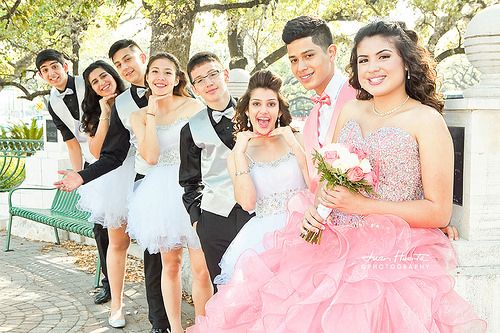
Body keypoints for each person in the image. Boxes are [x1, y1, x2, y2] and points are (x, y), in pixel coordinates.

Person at [187, 21, 486, 332]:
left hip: (393, 245)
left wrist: (360, 205)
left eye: (383, 57)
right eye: (363, 60)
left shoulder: (426, 120)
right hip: (334, 234)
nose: (373, 68)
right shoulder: (352, 111)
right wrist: (315, 210)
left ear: (405, 62)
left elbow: (439, 210)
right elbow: (332, 177)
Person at [54, 40, 171, 333]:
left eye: (122, 63)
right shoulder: (118, 105)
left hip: (165, 178)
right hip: (123, 176)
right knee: (118, 243)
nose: (120, 70)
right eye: (117, 64)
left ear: (140, 57)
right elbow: (107, 153)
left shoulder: (166, 83)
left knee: (159, 250)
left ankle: (163, 317)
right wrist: (81, 175)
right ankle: (118, 304)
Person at [126, 52, 212, 333]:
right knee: (170, 265)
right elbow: (150, 156)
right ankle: (174, 328)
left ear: (177, 79)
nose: (160, 78)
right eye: (155, 71)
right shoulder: (137, 115)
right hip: (160, 192)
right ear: (148, 76)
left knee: (201, 268)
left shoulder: (192, 107)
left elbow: (205, 149)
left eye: (167, 72)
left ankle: (202, 326)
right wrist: (151, 113)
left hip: (193, 187)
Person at [214, 70, 308, 285]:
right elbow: (247, 203)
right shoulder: (237, 154)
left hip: (303, 229)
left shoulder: (298, 139)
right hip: (263, 239)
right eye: (256, 104)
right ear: (247, 110)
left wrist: (293, 143)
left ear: (279, 110)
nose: (263, 110)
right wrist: (239, 153)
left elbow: (315, 184)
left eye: (271, 104)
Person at [36, 49, 111, 305]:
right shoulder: (52, 102)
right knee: (100, 226)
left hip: (115, 152)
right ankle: (108, 283)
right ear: (41, 75)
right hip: (92, 162)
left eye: (54, 66)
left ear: (65, 65)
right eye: (45, 70)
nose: (51, 73)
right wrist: (80, 176)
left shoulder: (87, 83)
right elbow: (71, 142)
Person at [179, 52, 253, 292]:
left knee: (257, 284)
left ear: (225, 74)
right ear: (194, 88)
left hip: (255, 212)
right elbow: (189, 182)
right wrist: (197, 222)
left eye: (212, 74)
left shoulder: (256, 113)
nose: (208, 82)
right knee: (223, 289)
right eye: (199, 80)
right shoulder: (190, 129)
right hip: (214, 217)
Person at [76, 60, 135, 328]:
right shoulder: (95, 112)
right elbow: (98, 152)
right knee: (118, 243)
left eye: (104, 76)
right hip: (115, 178)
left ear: (114, 74)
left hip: (145, 172)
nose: (102, 83)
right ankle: (117, 305)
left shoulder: (135, 98)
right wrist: (106, 113)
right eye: (95, 82)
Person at [282, 16, 356, 193]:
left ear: (331, 53)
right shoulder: (309, 122)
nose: (301, 67)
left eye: (308, 56)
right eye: (294, 60)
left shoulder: (361, 94)